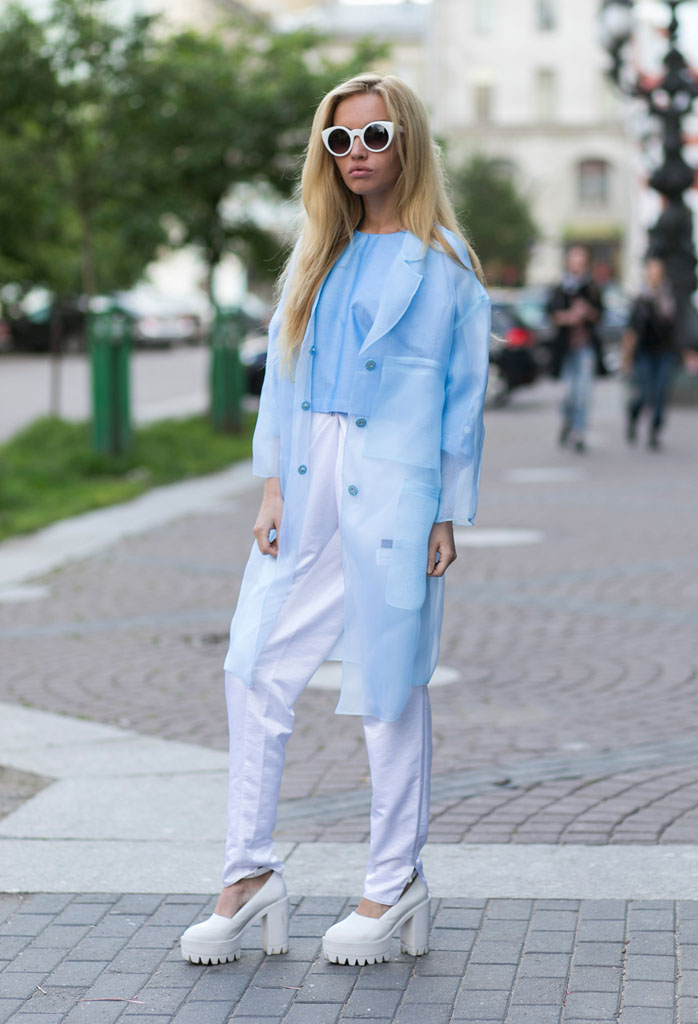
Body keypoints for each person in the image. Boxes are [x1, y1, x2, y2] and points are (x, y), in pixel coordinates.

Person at [179, 72, 490, 968]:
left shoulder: (446, 265)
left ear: (408, 144)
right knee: (253, 663)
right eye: (339, 139)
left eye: (375, 136)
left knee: (389, 683)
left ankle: (392, 882)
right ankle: (248, 874)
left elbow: (463, 400)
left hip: (395, 484)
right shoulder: (317, 253)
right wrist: (272, 487)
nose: (356, 153)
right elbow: (282, 381)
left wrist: (447, 511)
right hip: (309, 475)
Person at [548, 246, 605, 452]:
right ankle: (567, 421)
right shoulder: (560, 288)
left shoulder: (592, 288)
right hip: (565, 349)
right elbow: (552, 315)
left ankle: (579, 431)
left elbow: (600, 315)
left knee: (583, 393)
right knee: (566, 394)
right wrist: (570, 316)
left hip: (585, 347)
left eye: (581, 261)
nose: (577, 265)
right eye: (574, 261)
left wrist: (587, 312)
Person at [621, 257, 678, 450]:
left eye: (657, 273)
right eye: (651, 273)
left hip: (665, 352)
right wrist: (626, 358)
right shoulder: (640, 299)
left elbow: (678, 329)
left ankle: (655, 430)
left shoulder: (670, 298)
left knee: (661, 392)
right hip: (643, 353)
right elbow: (631, 330)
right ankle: (633, 414)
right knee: (644, 393)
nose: (654, 277)